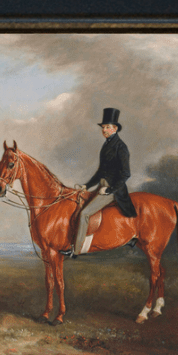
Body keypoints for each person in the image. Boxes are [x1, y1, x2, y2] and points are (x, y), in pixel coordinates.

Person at [60, 107, 137, 257]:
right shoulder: (106, 145)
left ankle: (75, 250)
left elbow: (126, 174)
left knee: (84, 214)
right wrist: (87, 186)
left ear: (115, 128)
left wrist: (109, 190)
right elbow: (101, 171)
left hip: (113, 190)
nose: (104, 130)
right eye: (103, 127)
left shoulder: (121, 147)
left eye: (107, 127)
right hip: (101, 186)